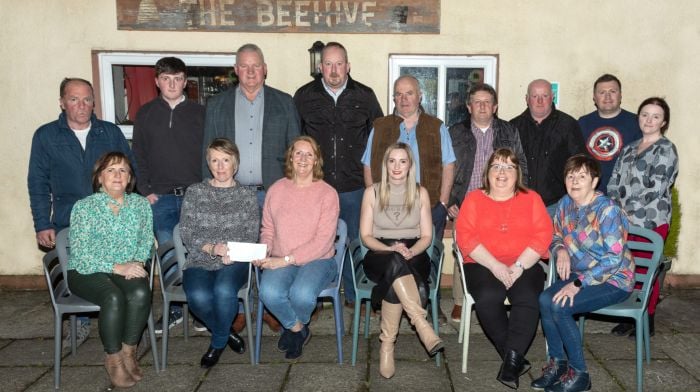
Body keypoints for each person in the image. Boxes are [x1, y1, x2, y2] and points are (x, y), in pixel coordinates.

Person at [28, 77, 135, 348]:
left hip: (111, 218)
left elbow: (130, 173)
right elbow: (38, 183)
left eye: (87, 99)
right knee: (80, 272)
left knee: (115, 271)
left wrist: (131, 214)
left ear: (94, 102)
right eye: (74, 99)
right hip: (68, 220)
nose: (81, 105)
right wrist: (42, 223)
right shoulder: (46, 136)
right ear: (62, 102)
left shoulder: (109, 133)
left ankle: (122, 323)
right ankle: (81, 323)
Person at [202, 43, 300, 333]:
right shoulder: (217, 105)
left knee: (270, 249)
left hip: (273, 192)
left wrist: (294, 192)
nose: (250, 71)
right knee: (237, 252)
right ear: (235, 71)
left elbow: (296, 151)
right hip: (232, 193)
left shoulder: (285, 102)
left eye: (255, 65)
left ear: (265, 69)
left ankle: (268, 308)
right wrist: (209, 195)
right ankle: (241, 308)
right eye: (244, 66)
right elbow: (206, 151)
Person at [534, 154, 635, 392]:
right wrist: (560, 251)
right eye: (571, 176)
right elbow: (555, 235)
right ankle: (558, 365)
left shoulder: (607, 210)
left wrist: (578, 283)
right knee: (544, 299)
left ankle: (580, 375)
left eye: (582, 176)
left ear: (595, 180)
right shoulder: (565, 204)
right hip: (582, 276)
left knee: (561, 306)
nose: (575, 181)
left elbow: (613, 259)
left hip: (614, 279)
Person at [294, 41, 383, 308]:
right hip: (315, 187)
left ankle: (355, 295)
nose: (334, 70)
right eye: (328, 64)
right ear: (320, 67)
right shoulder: (303, 96)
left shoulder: (365, 96)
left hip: (354, 186)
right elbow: (295, 141)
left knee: (356, 240)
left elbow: (377, 141)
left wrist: (375, 184)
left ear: (348, 66)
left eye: (339, 64)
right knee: (316, 242)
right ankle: (316, 295)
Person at [454, 148, 552, 389]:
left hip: (525, 262)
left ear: (517, 173)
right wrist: (496, 266)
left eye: (509, 166)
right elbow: (465, 237)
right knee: (489, 296)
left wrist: (518, 266)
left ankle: (511, 362)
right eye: (496, 166)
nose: (502, 172)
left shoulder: (532, 198)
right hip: (482, 262)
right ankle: (515, 357)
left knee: (528, 296)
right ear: (487, 172)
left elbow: (543, 235)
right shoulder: (474, 199)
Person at [67, 152, 153, 388]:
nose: (117, 175)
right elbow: (81, 255)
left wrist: (137, 263)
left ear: (129, 178)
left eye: (123, 170)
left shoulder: (141, 204)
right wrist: (117, 267)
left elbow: (146, 240)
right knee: (113, 297)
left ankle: (129, 352)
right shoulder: (84, 207)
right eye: (111, 170)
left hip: (125, 268)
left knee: (140, 291)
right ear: (100, 177)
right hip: (86, 271)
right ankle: (113, 358)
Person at [132, 56, 205, 334]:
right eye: (166, 79)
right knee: (168, 253)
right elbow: (137, 154)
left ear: (185, 82)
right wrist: (146, 189)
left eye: (177, 79)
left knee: (197, 252)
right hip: (159, 198)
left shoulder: (200, 113)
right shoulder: (146, 113)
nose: (172, 84)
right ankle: (174, 309)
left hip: (193, 196)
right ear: (157, 82)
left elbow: (209, 155)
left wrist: (204, 190)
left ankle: (199, 309)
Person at [359, 142, 444, 379]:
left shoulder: (420, 192)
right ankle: (421, 322)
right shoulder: (372, 192)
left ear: (410, 166)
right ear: (385, 165)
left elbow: (427, 235)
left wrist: (412, 250)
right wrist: (392, 249)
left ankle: (387, 344)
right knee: (394, 262)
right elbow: (366, 236)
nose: (397, 166)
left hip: (414, 253)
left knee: (396, 272)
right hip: (379, 253)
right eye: (392, 161)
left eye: (402, 161)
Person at [447, 83, 528, 323]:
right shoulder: (455, 132)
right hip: (465, 203)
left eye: (487, 102)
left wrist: (518, 199)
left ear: (495, 106)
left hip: (501, 202)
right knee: (464, 248)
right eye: (477, 102)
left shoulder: (509, 130)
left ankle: (500, 292)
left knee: (500, 246)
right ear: (469, 106)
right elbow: (446, 167)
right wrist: (450, 199)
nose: (482, 106)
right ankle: (461, 301)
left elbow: (520, 164)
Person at [253, 136, 340, 361]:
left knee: (301, 295)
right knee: (268, 292)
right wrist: (263, 251)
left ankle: (291, 330)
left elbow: (323, 241)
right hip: (281, 257)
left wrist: (285, 260)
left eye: (309, 154)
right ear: (290, 157)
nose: (303, 158)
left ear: (316, 160)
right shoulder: (276, 189)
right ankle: (297, 329)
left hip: (319, 260)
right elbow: (268, 228)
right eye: (298, 153)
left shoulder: (327, 194)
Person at [179, 138, 259, 368]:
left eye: (226, 160)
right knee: (198, 296)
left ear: (236, 164)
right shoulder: (195, 192)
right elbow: (187, 231)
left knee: (224, 290)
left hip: (235, 261)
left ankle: (217, 343)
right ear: (208, 164)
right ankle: (227, 333)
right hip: (200, 258)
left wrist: (231, 251)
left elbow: (251, 232)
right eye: (215, 160)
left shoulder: (246, 195)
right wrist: (213, 248)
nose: (221, 166)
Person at [607, 97, 678, 338]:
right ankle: (630, 313)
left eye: (655, 116)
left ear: (663, 122)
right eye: (645, 114)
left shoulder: (666, 149)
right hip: (624, 221)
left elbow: (656, 188)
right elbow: (614, 182)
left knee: (647, 268)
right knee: (629, 266)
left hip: (651, 220)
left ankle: (647, 318)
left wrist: (628, 213)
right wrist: (617, 210)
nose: (649, 120)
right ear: (638, 117)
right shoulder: (628, 148)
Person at [362, 74, 456, 241]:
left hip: (430, 207)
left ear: (420, 96)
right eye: (399, 94)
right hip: (387, 211)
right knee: (391, 260)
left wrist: (443, 203)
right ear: (394, 98)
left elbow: (449, 165)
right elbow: (368, 165)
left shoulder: (436, 127)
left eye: (409, 93)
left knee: (425, 263)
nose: (403, 99)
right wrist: (375, 201)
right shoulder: (380, 127)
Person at [510, 79, 586, 214]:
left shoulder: (568, 125)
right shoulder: (513, 127)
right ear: (527, 99)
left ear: (552, 97)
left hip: (558, 205)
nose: (540, 101)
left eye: (544, 96)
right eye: (535, 96)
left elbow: (580, 164)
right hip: (519, 203)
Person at [578, 74, 640, 192]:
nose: (607, 96)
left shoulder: (637, 122)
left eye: (612, 91)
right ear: (594, 97)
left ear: (620, 95)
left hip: (626, 195)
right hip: (591, 196)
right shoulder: (582, 123)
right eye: (602, 92)